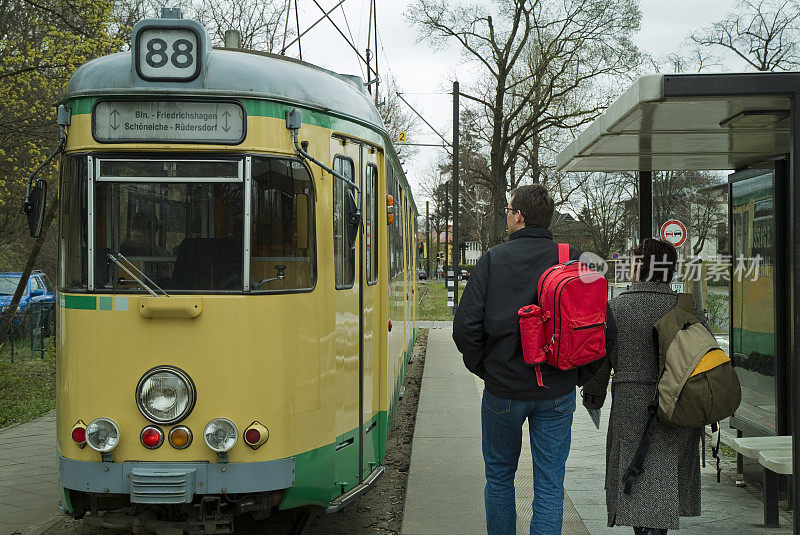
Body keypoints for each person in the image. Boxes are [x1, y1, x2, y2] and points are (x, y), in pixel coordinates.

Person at [453, 184, 617, 535]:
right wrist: (577, 374)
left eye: (509, 210)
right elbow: (605, 328)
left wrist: (487, 370)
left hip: (503, 391)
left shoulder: (493, 260)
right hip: (556, 391)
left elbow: (466, 327)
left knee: (499, 477)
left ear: (520, 216)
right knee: (550, 483)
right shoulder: (575, 259)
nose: (507, 215)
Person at [582, 238, 708, 534]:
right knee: (664, 475)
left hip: (631, 404)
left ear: (639, 267)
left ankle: (646, 529)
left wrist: (594, 398)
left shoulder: (616, 308)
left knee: (635, 473)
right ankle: (656, 528)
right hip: (679, 405)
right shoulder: (686, 309)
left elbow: (599, 362)